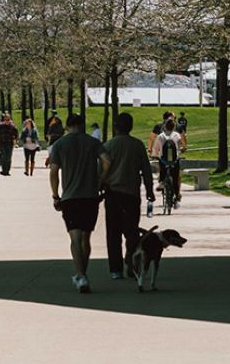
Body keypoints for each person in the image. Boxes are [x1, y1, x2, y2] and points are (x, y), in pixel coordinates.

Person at [48, 113, 110, 293]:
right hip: (90, 196)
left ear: (67, 126)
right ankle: (84, 273)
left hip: (70, 197)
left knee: (74, 238)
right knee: (86, 238)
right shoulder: (92, 143)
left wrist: (55, 195)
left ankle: (81, 275)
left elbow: (53, 172)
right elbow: (107, 160)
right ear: (82, 125)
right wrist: (100, 179)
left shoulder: (60, 144)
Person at [102, 112, 155, 279]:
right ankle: (131, 261)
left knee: (113, 232)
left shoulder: (108, 146)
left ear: (115, 126)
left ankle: (115, 269)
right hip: (131, 194)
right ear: (131, 127)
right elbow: (146, 170)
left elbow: (102, 171)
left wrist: (99, 187)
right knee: (131, 231)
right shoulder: (137, 145)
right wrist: (150, 190)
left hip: (113, 194)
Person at [151, 116, 184, 205]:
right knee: (176, 177)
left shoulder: (160, 136)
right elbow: (180, 146)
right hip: (174, 160)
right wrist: (181, 150)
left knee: (162, 171)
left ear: (164, 127)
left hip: (163, 160)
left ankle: (162, 182)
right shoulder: (176, 135)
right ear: (174, 127)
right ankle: (177, 195)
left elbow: (156, 149)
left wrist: (154, 156)